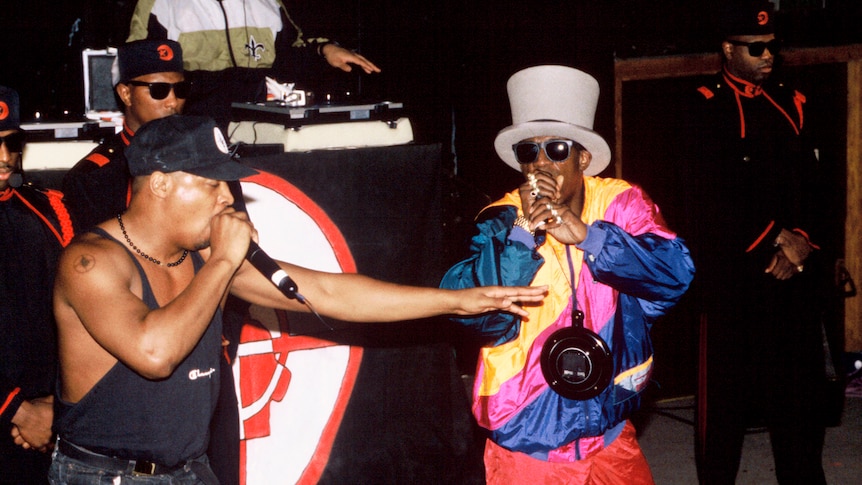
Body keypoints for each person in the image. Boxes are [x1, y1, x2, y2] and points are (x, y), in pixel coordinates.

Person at [48, 114, 545, 484]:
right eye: (212, 185)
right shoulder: (91, 263)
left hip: (190, 471)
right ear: (159, 184)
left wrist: (453, 302)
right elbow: (154, 354)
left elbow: (328, 290)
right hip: (103, 476)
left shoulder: (202, 256)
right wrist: (223, 262)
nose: (228, 199)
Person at [440, 65, 695, 484]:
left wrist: (590, 238)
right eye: (529, 151)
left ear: (584, 158)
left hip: (610, 437)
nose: (541, 163)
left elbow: (675, 275)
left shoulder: (621, 204)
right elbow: (476, 316)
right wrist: (524, 234)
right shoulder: (501, 220)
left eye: (557, 149)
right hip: (528, 446)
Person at [680, 2, 835, 484]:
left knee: (799, 403)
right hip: (735, 277)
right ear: (728, 49)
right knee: (723, 411)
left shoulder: (794, 103)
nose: (769, 56)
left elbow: (819, 185)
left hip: (794, 275)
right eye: (757, 48)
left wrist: (802, 243)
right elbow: (701, 197)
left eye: (774, 46)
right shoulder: (703, 107)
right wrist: (773, 241)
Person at [127, 0, 381, 128]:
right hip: (193, 128)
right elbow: (136, 68)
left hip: (259, 128)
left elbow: (290, 52)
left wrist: (325, 50)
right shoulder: (160, 4)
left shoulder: (267, 2)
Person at [0, 86, 74, 484]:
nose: (5, 157)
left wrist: (55, 408)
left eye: (12, 143)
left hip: (52, 418)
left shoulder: (47, 209)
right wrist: (17, 411)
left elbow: (80, 312)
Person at [62, 39, 187, 234]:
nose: (173, 102)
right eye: (159, 90)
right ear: (126, 94)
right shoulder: (94, 178)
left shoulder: (204, 158)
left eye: (180, 90)